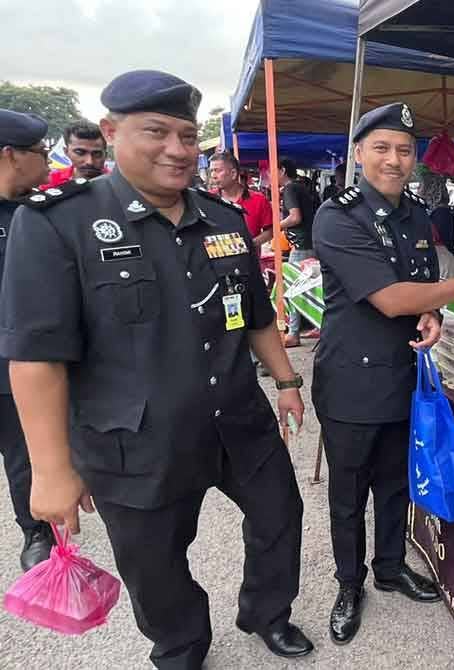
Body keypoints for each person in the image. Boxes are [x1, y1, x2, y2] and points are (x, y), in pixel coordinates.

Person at [0, 70, 314, 668]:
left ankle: (267, 613)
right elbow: (37, 357)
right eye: (157, 132)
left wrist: (288, 380)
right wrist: (50, 470)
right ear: (112, 132)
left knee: (281, 516)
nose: (177, 149)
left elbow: (254, 315)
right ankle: (181, 643)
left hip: (237, 420)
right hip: (134, 439)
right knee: (156, 562)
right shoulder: (56, 222)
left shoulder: (222, 221)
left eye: (188, 136)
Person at [312, 102, 454, 646]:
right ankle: (349, 584)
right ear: (359, 154)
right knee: (349, 492)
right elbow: (388, 297)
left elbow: (418, 292)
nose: (394, 159)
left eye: (404, 150)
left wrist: (432, 314)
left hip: (404, 373)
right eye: (381, 148)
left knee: (395, 481)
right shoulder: (338, 215)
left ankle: (389, 566)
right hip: (352, 382)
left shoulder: (415, 214)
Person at [0, 109, 57, 572]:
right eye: (41, 153)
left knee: (26, 449)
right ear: (10, 157)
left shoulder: (43, 212)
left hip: (33, 354)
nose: (47, 160)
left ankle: (37, 529)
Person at [277, 157, 317, 347]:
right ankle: (317, 326)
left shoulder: (291, 189)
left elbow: (295, 217)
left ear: (282, 170)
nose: (269, 175)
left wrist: (276, 226)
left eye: (272, 170)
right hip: (310, 243)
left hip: (302, 246)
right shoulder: (300, 187)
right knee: (311, 287)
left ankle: (293, 333)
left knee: (294, 289)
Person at [209, 150, 273, 252]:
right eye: (211, 171)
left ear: (233, 173)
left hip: (249, 263)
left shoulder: (259, 199)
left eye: (217, 170)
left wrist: (248, 245)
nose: (213, 175)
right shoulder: (208, 199)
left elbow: (270, 232)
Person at [39, 119, 108, 190]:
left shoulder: (117, 184)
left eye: (97, 154)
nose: (89, 162)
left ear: (105, 155)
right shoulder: (50, 181)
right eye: (80, 152)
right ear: (66, 152)